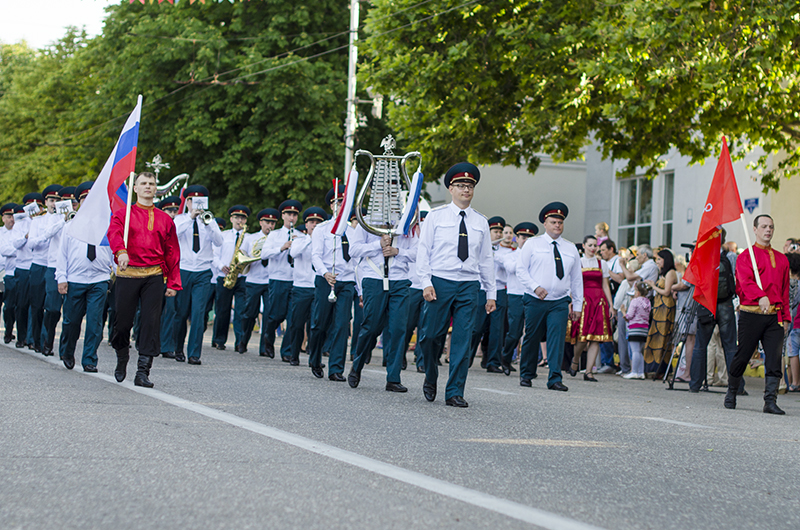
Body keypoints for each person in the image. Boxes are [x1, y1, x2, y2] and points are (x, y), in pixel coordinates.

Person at [417, 162, 496, 407]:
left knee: (464, 338)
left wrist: (491, 292)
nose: (466, 190)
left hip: (469, 285)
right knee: (430, 336)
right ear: (451, 189)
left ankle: (454, 391)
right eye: (461, 185)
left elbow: (486, 259)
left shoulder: (481, 221)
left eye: (470, 186)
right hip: (440, 282)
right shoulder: (436, 216)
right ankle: (430, 375)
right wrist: (426, 282)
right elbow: (424, 250)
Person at [107, 172, 181, 388]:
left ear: (156, 188)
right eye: (143, 183)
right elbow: (114, 234)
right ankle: (122, 356)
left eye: (151, 183)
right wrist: (120, 251)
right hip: (128, 273)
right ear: (135, 188)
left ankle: (142, 371)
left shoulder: (165, 219)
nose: (148, 187)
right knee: (122, 323)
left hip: (154, 275)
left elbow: (172, 252)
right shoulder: (123, 214)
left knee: (150, 323)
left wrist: (174, 282)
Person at [347, 208, 417, 392]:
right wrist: (377, 244)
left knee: (398, 329)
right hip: (374, 277)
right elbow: (354, 249)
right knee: (372, 326)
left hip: (399, 280)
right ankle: (357, 364)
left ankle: (393, 377)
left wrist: (398, 251)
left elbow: (419, 252)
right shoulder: (366, 221)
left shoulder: (407, 222)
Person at [726, 214, 790, 414]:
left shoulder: (782, 259)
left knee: (774, 358)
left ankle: (770, 401)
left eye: (771, 226)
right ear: (754, 229)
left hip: (774, 316)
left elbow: (785, 290)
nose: (768, 230)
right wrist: (760, 296)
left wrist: (786, 317)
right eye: (763, 226)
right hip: (751, 313)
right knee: (743, 355)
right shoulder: (746, 257)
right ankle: (732, 391)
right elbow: (744, 282)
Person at [516, 202, 582, 391]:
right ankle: (527, 373)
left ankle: (554, 377)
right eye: (553, 222)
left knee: (557, 338)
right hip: (535, 299)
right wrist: (535, 287)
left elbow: (577, 279)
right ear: (545, 223)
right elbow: (521, 270)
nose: (557, 226)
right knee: (532, 336)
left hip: (559, 301)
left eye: (560, 222)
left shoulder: (570, 249)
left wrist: (577, 306)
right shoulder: (533, 244)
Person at [56, 184, 113, 372]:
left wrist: (115, 268)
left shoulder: (108, 225)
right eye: (84, 199)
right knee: (72, 321)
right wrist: (61, 278)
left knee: (95, 322)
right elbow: (62, 254)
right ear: (79, 202)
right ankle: (67, 351)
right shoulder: (70, 226)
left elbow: (114, 249)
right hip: (75, 279)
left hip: (99, 279)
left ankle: (89, 359)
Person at [307, 185, 357, 381]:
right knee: (320, 323)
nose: (341, 206)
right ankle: (315, 358)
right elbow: (316, 256)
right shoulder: (322, 229)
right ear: (331, 205)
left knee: (342, 325)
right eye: (338, 202)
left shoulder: (354, 232)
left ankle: (336, 368)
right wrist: (325, 273)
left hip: (346, 282)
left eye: (345, 202)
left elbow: (356, 261)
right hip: (325, 280)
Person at [172, 185, 224, 365]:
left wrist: (208, 223)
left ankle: (194, 353)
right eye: (193, 201)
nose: (197, 204)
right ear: (187, 202)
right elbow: (173, 235)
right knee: (181, 312)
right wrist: (191, 219)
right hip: (184, 270)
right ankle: (178, 348)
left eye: (200, 201)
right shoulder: (180, 220)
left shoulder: (210, 221)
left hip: (203, 272)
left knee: (198, 313)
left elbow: (219, 241)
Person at [688, 230, 738, 393]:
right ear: (724, 238)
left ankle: (695, 383)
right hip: (726, 304)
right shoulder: (729, 256)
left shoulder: (703, 256)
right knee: (730, 346)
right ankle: (737, 385)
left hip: (706, 304)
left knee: (700, 346)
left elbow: (692, 279)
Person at [567, 235, 613, 381]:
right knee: (582, 337)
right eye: (590, 245)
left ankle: (588, 371)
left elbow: (605, 285)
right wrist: (571, 301)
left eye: (595, 245)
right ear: (584, 246)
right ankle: (576, 359)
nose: (593, 248)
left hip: (598, 301)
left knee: (596, 338)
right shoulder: (578, 262)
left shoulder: (602, 264)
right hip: (584, 300)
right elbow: (572, 283)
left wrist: (611, 305)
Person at [469, 216, 512, 373]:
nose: (498, 234)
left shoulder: (506, 251)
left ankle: (493, 361)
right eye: (495, 231)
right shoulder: (480, 245)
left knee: (497, 328)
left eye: (500, 231)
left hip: (499, 289)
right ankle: (466, 358)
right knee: (476, 326)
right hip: (481, 288)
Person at [260, 200, 302, 358]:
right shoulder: (275, 234)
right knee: (276, 315)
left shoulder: (301, 235)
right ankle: (268, 338)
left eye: (295, 214)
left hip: (295, 280)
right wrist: (281, 248)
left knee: (293, 318)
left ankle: (287, 352)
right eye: (289, 214)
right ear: (283, 215)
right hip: (278, 278)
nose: (292, 217)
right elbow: (264, 254)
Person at [286, 207, 326, 366]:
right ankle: (293, 354)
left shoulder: (325, 240)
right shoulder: (299, 240)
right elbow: (293, 254)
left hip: (317, 287)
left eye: (318, 222)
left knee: (317, 325)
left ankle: (314, 358)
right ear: (306, 224)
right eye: (311, 222)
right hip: (302, 287)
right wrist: (310, 238)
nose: (314, 224)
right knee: (297, 324)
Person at [27, 186, 63, 353]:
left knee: (52, 307)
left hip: (55, 266)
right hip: (39, 264)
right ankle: (35, 340)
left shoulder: (65, 219)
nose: (54, 204)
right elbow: (31, 244)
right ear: (46, 202)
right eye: (51, 200)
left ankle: (46, 340)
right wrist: (46, 235)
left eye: (57, 200)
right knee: (36, 305)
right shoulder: (38, 221)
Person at [499, 221, 538, 375]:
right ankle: (506, 357)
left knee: (531, 332)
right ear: (517, 238)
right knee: (514, 332)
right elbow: (511, 268)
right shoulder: (511, 255)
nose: (525, 239)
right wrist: (524, 255)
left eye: (529, 237)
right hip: (515, 295)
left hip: (532, 295)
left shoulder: (537, 256)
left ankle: (528, 367)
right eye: (523, 236)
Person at [212, 205, 251, 351]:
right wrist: (221, 266)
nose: (239, 220)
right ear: (231, 219)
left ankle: (240, 342)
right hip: (224, 276)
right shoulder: (223, 235)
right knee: (222, 310)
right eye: (237, 217)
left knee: (241, 310)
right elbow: (214, 255)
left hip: (241, 277)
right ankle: (219, 339)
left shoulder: (248, 237)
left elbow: (250, 256)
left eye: (242, 218)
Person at [239, 208, 277, 356]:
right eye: (267, 222)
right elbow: (242, 255)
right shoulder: (251, 238)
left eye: (273, 223)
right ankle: (243, 340)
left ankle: (264, 348)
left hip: (270, 280)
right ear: (261, 222)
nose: (270, 226)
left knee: (268, 314)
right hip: (253, 279)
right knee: (250, 313)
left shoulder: (276, 239)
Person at [643, 249, 678, 378]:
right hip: (659, 308)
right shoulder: (663, 273)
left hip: (666, 309)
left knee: (663, 337)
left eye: (659, 259)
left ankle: (661, 369)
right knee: (655, 336)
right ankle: (653, 367)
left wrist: (653, 286)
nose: (657, 261)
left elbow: (666, 292)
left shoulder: (671, 273)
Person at [156, 195, 181, 359]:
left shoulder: (180, 224)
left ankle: (166, 346)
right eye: (169, 210)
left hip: (171, 273)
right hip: (156, 272)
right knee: (152, 310)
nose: (172, 213)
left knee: (171, 310)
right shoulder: (157, 224)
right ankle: (147, 340)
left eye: (175, 210)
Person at [403, 210, 428, 373]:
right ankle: (399, 356)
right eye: (420, 223)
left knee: (424, 327)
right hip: (411, 286)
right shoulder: (409, 238)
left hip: (426, 286)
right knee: (407, 325)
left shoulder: (431, 239)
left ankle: (421, 360)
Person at [13, 196, 37, 349]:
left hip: (37, 266)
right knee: (21, 304)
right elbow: (16, 243)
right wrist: (27, 235)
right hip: (23, 267)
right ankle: (21, 336)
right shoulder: (20, 225)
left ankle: (32, 338)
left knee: (35, 305)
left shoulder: (42, 222)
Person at [622, 281, 651, 379]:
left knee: (635, 351)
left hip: (634, 328)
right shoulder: (647, 302)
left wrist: (623, 312)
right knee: (640, 351)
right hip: (644, 328)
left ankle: (634, 371)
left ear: (637, 292)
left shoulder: (634, 301)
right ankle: (641, 372)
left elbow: (629, 316)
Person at [0, 203, 18, 343]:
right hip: (1, 272)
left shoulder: (19, 231)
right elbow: (5, 250)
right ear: (3, 218)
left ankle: (9, 329)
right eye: (9, 216)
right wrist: (19, 249)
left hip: (12, 273)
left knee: (10, 306)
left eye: (13, 216)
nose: (11, 219)